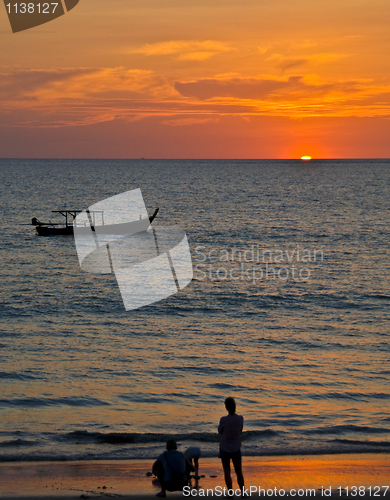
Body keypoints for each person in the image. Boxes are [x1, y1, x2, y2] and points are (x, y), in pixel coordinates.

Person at [218, 397, 245, 492]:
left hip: (225, 447)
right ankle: (243, 492)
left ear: (226, 407)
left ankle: (230, 493)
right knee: (239, 472)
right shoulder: (240, 418)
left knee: (227, 472)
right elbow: (240, 431)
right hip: (236, 447)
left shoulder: (223, 420)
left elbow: (220, 432)